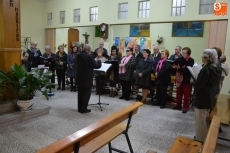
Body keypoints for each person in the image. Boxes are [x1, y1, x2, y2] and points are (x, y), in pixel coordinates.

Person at [192, 49, 219, 142]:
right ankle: (204, 137)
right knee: (204, 118)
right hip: (209, 95)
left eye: (203, 56)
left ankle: (201, 139)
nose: (201, 57)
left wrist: (193, 82)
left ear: (207, 58)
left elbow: (200, 85)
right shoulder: (214, 68)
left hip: (202, 97)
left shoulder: (206, 69)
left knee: (200, 120)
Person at [75, 44, 101, 113]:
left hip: (79, 77)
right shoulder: (89, 57)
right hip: (86, 78)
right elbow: (96, 66)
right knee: (86, 94)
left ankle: (79, 108)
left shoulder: (78, 55)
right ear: (89, 50)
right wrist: (99, 61)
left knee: (80, 93)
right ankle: (83, 109)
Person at [172, 47, 194, 113]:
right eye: (182, 53)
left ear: (188, 54)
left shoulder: (191, 60)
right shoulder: (180, 59)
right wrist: (174, 67)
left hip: (186, 79)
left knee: (186, 94)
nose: (183, 54)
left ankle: (185, 107)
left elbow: (187, 70)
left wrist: (179, 69)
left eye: (184, 53)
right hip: (179, 79)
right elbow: (177, 67)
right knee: (179, 93)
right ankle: (178, 105)